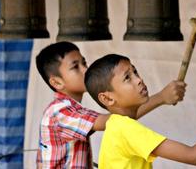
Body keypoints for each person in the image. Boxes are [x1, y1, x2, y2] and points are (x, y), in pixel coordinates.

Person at [85, 54, 196, 169]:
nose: (139, 80)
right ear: (107, 99)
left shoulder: (117, 125)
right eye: (127, 78)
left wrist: (162, 96)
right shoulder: (125, 129)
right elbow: (195, 156)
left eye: (135, 72)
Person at [35, 42, 186, 168]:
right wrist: (161, 97)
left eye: (84, 63)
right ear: (56, 82)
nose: (85, 69)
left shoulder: (72, 109)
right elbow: (116, 119)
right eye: (76, 67)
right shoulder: (59, 111)